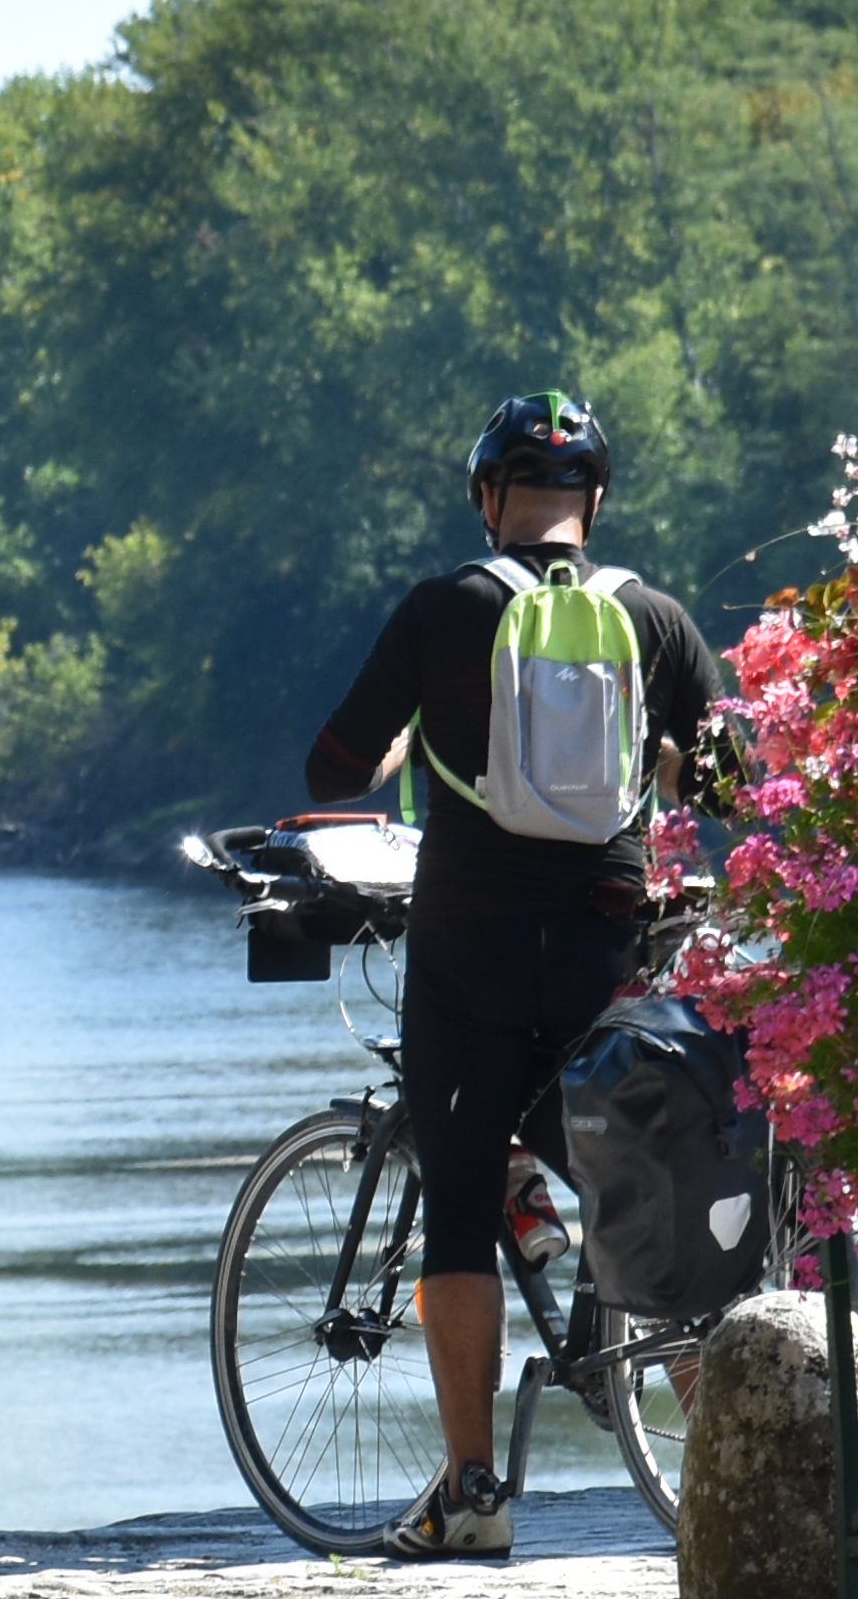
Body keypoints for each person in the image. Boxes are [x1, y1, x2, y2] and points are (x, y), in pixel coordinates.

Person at [302, 391, 735, 1559]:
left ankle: (474, 1491)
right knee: (637, 1179)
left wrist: (401, 746)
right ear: (594, 505)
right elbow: (741, 778)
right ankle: (734, 1471)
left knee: (455, 1200)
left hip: (469, 949)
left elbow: (332, 761)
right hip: (604, 944)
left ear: (489, 499)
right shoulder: (653, 615)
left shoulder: (446, 607)